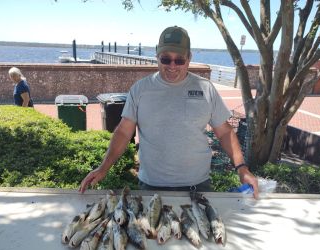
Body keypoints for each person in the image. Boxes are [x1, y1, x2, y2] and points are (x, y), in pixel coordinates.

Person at [80, 26, 259, 198]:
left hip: (197, 185)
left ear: (189, 58)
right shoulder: (140, 90)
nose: (172, 66)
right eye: (166, 59)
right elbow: (123, 132)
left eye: (179, 60)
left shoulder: (206, 89)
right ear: (157, 56)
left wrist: (242, 168)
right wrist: (103, 168)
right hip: (151, 185)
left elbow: (225, 132)